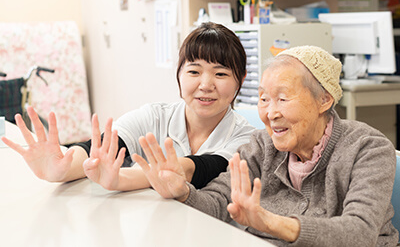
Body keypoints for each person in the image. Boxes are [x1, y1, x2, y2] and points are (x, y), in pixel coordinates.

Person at [133, 45, 399, 246]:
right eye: (263, 99)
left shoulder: (368, 148)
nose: (270, 113)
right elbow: (219, 202)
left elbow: (359, 233)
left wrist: (270, 222)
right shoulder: (261, 146)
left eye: (282, 99)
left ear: (324, 100)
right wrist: (183, 192)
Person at [1, 22, 255, 191]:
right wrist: (63, 168)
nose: (205, 84)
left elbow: (193, 169)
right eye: (194, 71)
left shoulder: (249, 139)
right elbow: (100, 149)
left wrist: (119, 180)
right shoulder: (153, 117)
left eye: (220, 74)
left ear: (240, 80)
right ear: (179, 74)